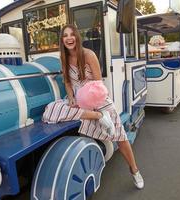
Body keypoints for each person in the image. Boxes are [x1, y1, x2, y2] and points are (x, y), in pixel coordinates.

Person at [42, 24, 144, 189]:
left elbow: (98, 84)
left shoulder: (88, 54)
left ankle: (134, 170)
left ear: (76, 36)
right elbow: (67, 81)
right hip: (80, 102)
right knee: (54, 111)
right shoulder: (64, 58)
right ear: (62, 40)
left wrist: (91, 102)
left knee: (121, 137)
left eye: (71, 34)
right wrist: (71, 98)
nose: (69, 38)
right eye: (65, 35)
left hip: (97, 98)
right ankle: (97, 123)